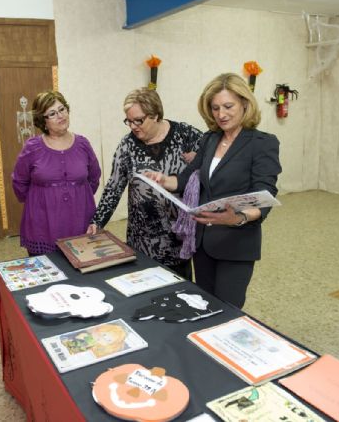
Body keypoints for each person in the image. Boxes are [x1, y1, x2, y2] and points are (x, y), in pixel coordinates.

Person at [145, 73, 282, 308]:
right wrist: (163, 180)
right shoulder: (210, 139)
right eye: (215, 108)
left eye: (228, 106)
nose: (221, 114)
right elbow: (186, 179)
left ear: (245, 104)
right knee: (204, 306)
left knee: (228, 310)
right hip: (203, 242)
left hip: (236, 242)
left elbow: (265, 194)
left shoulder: (263, 143)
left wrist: (238, 218)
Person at [87, 88, 202, 279]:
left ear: (155, 114)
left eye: (138, 120)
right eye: (128, 121)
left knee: (180, 290)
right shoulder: (127, 145)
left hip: (177, 235)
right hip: (142, 237)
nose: (132, 126)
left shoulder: (185, 135)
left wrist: (199, 159)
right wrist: (98, 221)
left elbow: (215, 157)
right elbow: (114, 187)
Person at [12, 90, 101, 256]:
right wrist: (39, 201)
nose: (60, 116)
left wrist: (78, 196)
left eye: (62, 109)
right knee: (47, 272)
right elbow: (19, 182)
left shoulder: (83, 143)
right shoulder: (33, 147)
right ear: (42, 121)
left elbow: (94, 177)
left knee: (84, 270)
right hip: (43, 223)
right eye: (52, 113)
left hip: (79, 219)